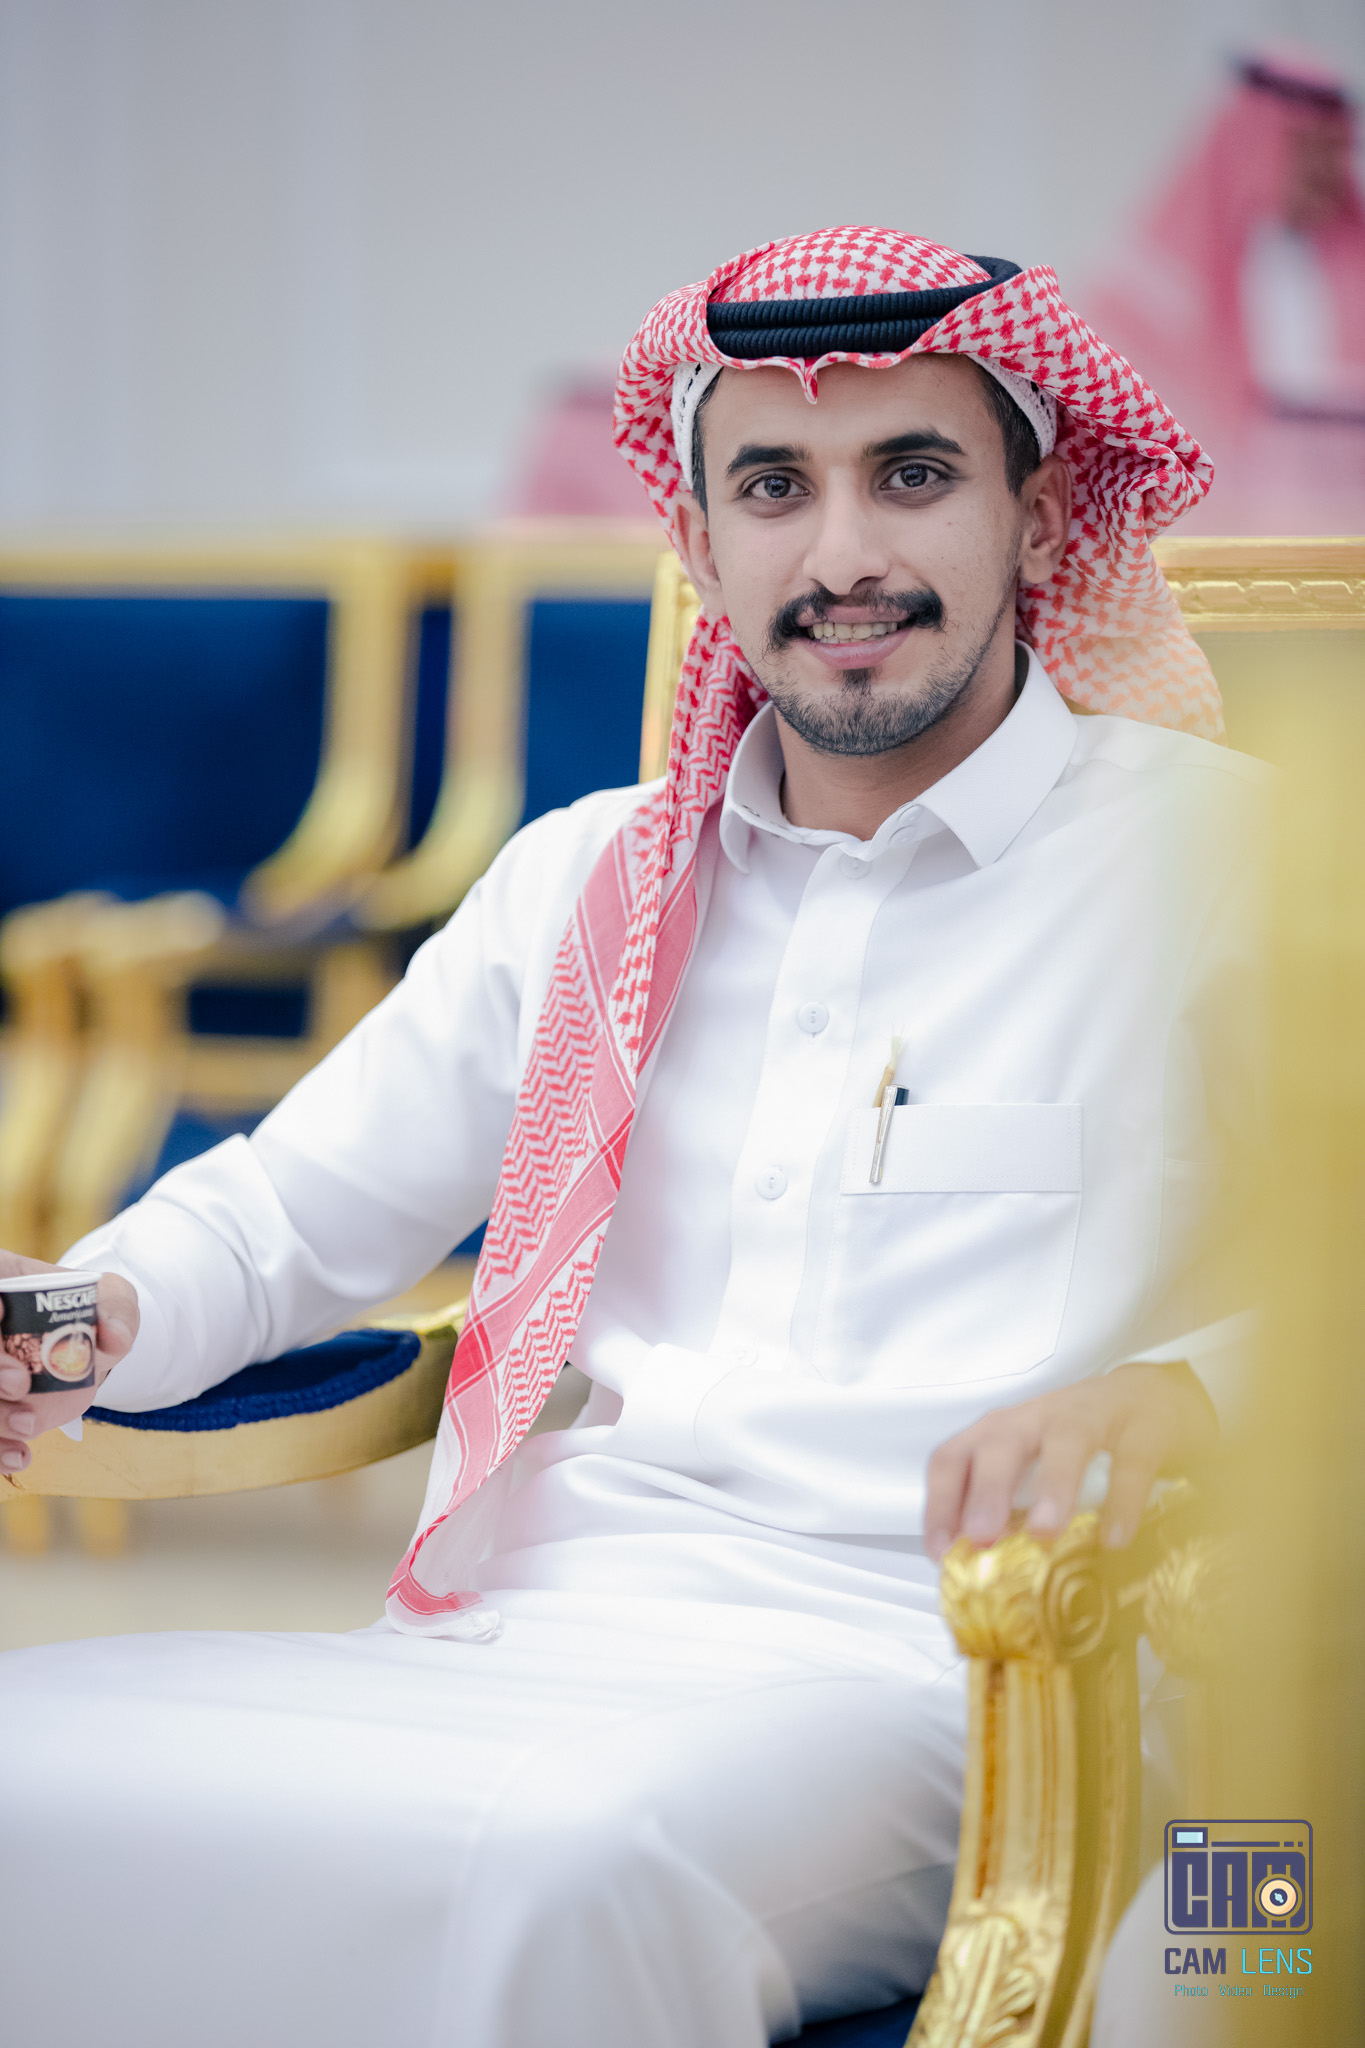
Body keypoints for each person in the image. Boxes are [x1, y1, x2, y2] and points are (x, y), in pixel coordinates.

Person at [0, 228, 1260, 2048]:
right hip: (540, 1626)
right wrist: (73, 1315)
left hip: (965, 1668)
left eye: (912, 474)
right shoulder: (592, 879)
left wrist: (1185, 1395)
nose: (841, 555)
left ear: (1043, 518)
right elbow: (283, 1216)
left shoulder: (1228, 867)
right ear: (703, 540)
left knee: (563, 1861)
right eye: (775, 486)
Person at [1083, 45, 1365, 533]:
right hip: (1212, 533)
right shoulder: (1163, 275)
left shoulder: (1350, 263)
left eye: (1334, 150)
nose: (1325, 171)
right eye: (1305, 149)